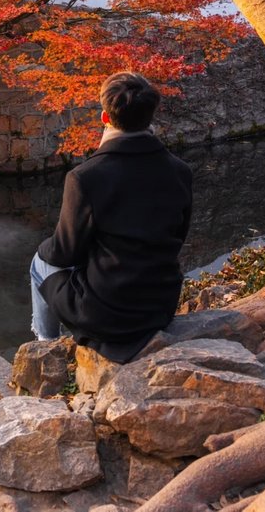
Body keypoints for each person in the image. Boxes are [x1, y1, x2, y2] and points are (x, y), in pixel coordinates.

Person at [29, 71, 193, 364]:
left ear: (105, 118)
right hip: (160, 307)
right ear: (150, 116)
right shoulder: (180, 170)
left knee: (40, 262)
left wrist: (45, 247)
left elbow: (64, 252)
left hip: (107, 315)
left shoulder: (85, 177)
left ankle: (45, 348)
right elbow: (178, 236)